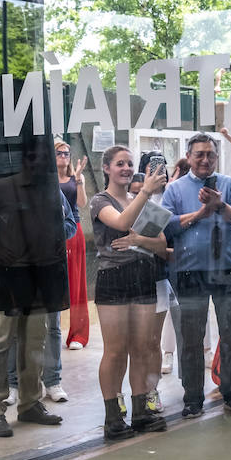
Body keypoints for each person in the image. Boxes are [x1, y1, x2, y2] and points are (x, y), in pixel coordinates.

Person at [0, 137, 71, 438]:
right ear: (25, 159)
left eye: (45, 158)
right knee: (0, 344)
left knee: (34, 343)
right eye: (35, 157)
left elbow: (68, 221)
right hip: (8, 279)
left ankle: (30, 404)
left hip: (41, 278)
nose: (40, 163)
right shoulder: (4, 188)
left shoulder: (51, 189)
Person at [162, 133, 231, 418]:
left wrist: (220, 206)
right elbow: (166, 226)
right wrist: (200, 213)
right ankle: (193, 398)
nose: (205, 159)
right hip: (190, 271)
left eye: (210, 154)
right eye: (199, 154)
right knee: (192, 339)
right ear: (188, 156)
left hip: (228, 269)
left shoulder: (230, 185)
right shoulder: (175, 190)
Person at [91, 146, 170, 439]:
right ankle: (113, 417)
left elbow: (160, 244)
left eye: (129, 163)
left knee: (142, 347)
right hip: (114, 277)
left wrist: (140, 240)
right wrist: (145, 193)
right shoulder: (102, 200)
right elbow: (122, 223)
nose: (125, 168)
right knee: (115, 351)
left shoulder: (138, 199)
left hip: (144, 276)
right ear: (107, 168)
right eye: (119, 164)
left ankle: (140, 412)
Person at [57, 138, 90, 353]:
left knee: (77, 283)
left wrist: (78, 180)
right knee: (55, 283)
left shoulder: (75, 177)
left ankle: (78, 333)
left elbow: (82, 203)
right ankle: (53, 332)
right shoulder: (45, 178)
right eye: (59, 153)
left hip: (73, 230)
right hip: (50, 233)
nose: (63, 156)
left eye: (67, 153)